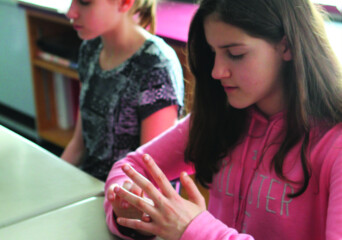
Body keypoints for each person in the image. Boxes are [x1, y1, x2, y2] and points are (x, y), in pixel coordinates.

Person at [104, 0, 342, 239]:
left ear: (287, 46)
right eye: (213, 53)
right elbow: (131, 167)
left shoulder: (335, 143)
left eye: (235, 54)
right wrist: (129, 207)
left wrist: (194, 230)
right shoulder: (223, 113)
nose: (217, 72)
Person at [61, 0, 184, 181]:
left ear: (125, 3)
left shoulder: (156, 65)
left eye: (85, 3)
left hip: (128, 199)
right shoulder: (90, 49)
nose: (71, 13)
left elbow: (151, 173)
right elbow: (79, 146)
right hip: (90, 185)